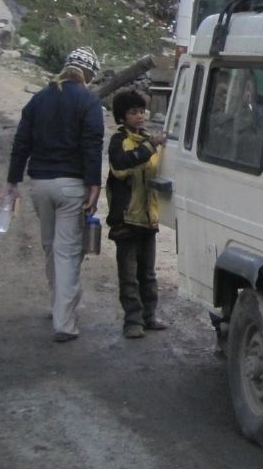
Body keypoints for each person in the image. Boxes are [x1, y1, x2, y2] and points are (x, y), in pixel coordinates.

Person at [3, 46, 104, 343]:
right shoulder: (88, 101)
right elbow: (92, 145)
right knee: (68, 252)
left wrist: (12, 182)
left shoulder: (39, 99)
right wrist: (94, 185)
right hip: (72, 186)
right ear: (89, 74)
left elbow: (21, 143)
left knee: (50, 246)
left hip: (40, 185)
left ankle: (58, 305)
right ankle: (65, 322)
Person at [105, 90, 169, 339]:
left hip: (147, 218)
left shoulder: (145, 139)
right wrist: (151, 145)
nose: (140, 116)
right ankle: (132, 320)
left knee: (148, 273)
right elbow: (121, 165)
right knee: (129, 275)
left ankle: (149, 316)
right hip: (126, 219)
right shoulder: (119, 141)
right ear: (122, 116)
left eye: (141, 111)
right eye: (133, 112)